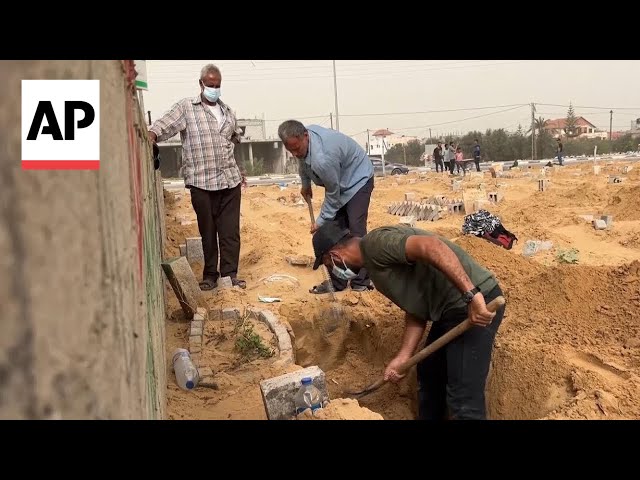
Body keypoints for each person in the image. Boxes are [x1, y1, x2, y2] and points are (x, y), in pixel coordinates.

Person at [310, 221, 506, 420]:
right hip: (450, 310)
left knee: (464, 397)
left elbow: (432, 246)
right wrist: (404, 356)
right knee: (430, 373)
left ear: (335, 256)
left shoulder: (375, 244)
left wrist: (471, 295)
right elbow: (416, 308)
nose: (334, 270)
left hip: (476, 302)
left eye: (328, 264)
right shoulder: (376, 270)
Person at [148, 63, 247, 291]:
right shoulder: (187, 108)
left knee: (230, 232)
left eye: (218, 85)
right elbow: (166, 124)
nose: (214, 89)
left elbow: (234, 136)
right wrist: (152, 135)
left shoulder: (228, 111)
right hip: (201, 183)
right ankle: (210, 276)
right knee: (208, 232)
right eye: (210, 85)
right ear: (201, 84)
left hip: (229, 181)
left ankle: (230, 275)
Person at [278, 119, 374, 294]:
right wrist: (305, 184)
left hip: (358, 180)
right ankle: (337, 283)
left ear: (305, 136)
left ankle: (361, 281)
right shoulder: (304, 144)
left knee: (355, 229)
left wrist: (321, 221)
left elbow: (333, 194)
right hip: (339, 180)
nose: (294, 154)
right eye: (290, 150)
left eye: (296, 148)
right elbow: (302, 162)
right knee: (333, 234)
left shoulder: (323, 158)